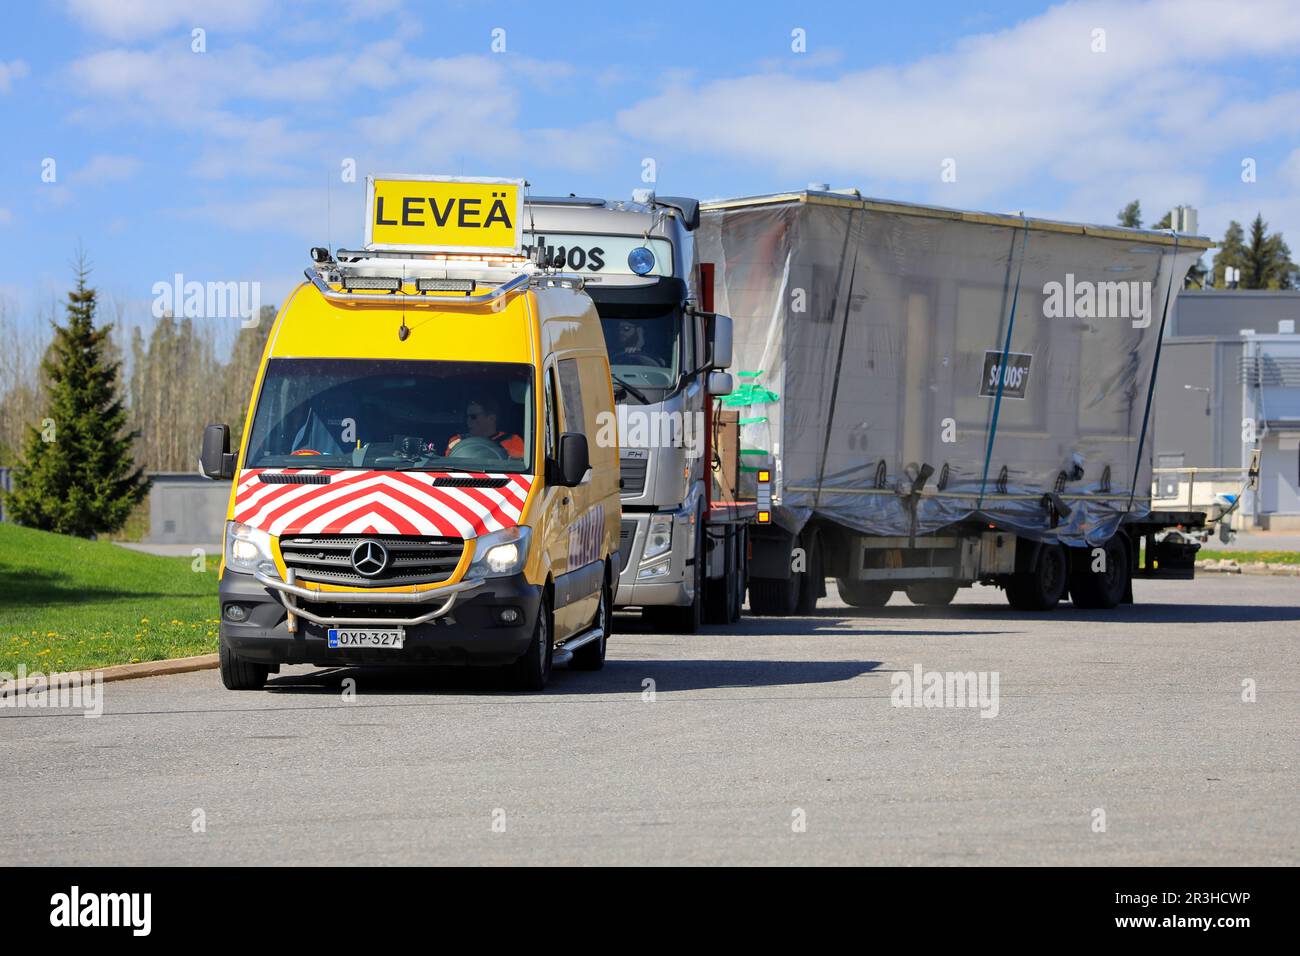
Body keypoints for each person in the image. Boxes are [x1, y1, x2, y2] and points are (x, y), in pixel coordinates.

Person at [445, 396, 524, 458]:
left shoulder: (513, 441)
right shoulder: (457, 441)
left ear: (491, 418)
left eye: (473, 417)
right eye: (467, 417)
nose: (468, 421)